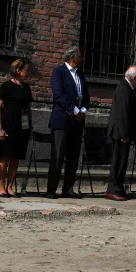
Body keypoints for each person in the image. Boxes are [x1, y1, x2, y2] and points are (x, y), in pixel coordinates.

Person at [46, 46, 89, 199]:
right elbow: (58, 95)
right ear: (72, 57)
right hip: (62, 120)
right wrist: (74, 110)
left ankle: (68, 188)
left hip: (77, 123)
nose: (82, 59)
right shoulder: (59, 72)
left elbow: (86, 96)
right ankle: (51, 189)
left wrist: (84, 109)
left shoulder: (80, 75)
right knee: (57, 156)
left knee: (73, 156)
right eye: (80, 56)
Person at [0, 59, 34, 198]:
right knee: (4, 157)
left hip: (21, 127)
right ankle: (1, 187)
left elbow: (28, 108)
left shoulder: (27, 88)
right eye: (26, 70)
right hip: (8, 124)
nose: (28, 73)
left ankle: (10, 186)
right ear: (18, 70)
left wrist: (30, 124)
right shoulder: (6, 86)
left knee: (16, 158)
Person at [106, 66, 136, 201]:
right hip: (120, 133)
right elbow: (122, 113)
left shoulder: (128, 88)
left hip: (123, 132)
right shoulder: (123, 88)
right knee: (118, 161)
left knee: (122, 161)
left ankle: (119, 188)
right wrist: (124, 134)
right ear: (134, 78)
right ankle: (113, 190)